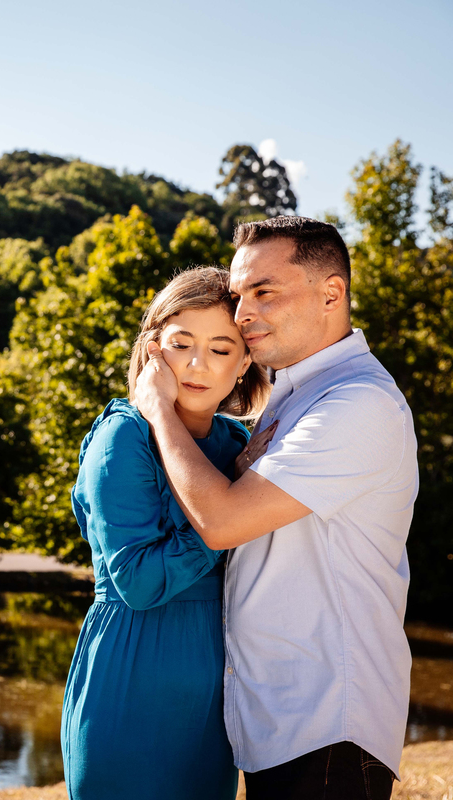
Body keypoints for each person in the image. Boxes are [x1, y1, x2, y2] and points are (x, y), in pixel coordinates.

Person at [133, 217, 418, 800]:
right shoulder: (298, 394)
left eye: (264, 292)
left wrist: (158, 409)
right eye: (239, 296)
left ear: (332, 293)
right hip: (282, 722)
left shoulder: (357, 403)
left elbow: (224, 523)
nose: (241, 315)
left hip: (328, 725)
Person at [61, 266, 271, 799]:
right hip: (130, 677)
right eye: (182, 344)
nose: (199, 365)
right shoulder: (122, 436)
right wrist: (229, 503)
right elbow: (137, 581)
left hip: (214, 696)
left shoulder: (235, 441)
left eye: (222, 349)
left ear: (245, 360)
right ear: (153, 350)